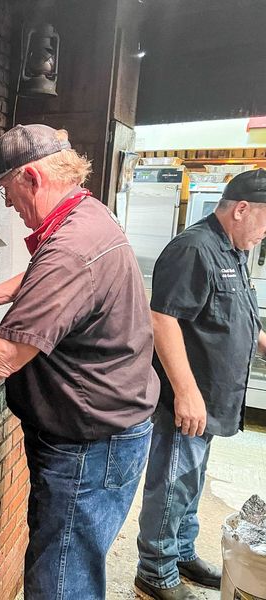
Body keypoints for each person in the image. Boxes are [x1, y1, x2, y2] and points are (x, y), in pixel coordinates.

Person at [0, 123, 159, 600]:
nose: (6, 203)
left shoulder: (69, 246)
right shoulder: (87, 215)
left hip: (88, 445)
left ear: (30, 177)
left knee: (60, 579)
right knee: (74, 565)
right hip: (108, 432)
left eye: (6, 189)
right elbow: (56, 274)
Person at [135, 168, 266, 600]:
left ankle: (182, 552)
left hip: (214, 397)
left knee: (191, 479)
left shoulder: (231, 249)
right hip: (189, 398)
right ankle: (155, 569)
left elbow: (239, 311)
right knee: (172, 480)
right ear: (242, 209)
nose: (265, 235)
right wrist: (187, 394)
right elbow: (163, 319)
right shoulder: (194, 248)